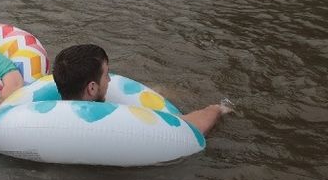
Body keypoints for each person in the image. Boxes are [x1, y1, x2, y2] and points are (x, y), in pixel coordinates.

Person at [52, 44, 232, 136]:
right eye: (106, 75)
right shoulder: (117, 123)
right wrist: (217, 109)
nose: (109, 80)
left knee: (159, 91)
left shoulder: (46, 118)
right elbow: (189, 128)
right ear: (91, 88)